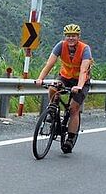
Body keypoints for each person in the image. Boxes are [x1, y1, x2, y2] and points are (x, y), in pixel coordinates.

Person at [35, 23, 93, 152]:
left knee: (73, 109)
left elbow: (84, 71)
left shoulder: (85, 49)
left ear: (78, 37)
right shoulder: (60, 46)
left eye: (73, 36)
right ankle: (53, 110)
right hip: (65, 77)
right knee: (53, 89)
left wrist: (79, 86)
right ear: (65, 37)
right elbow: (49, 64)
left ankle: (70, 138)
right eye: (68, 36)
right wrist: (40, 78)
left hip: (81, 81)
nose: (70, 38)